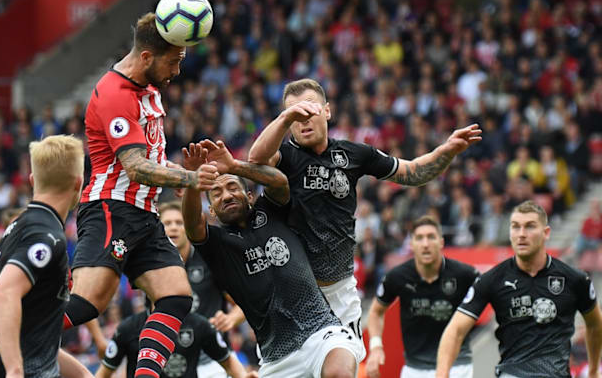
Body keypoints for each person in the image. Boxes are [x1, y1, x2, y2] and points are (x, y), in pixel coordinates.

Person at [248, 78, 482, 337]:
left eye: (309, 109)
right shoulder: (283, 157)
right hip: (293, 290)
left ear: (327, 111)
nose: (302, 119)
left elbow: (412, 172)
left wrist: (447, 150)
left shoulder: (354, 154)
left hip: (342, 292)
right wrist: (284, 117)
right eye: (294, 114)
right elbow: (256, 159)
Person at [64, 12, 218, 378]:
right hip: (111, 209)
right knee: (86, 305)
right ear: (147, 57)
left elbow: (150, 156)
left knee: (177, 296)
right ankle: (1, 344)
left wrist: (180, 176)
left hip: (145, 215)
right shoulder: (114, 93)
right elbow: (134, 166)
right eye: (174, 60)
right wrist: (189, 177)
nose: (178, 70)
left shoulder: (149, 89)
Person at [182, 140, 364, 378]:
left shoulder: (270, 211)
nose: (226, 195)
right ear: (212, 210)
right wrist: (193, 182)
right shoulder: (216, 244)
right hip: (277, 358)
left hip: (321, 331)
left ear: (249, 195)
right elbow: (193, 224)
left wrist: (234, 166)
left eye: (232, 187)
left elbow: (279, 182)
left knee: (338, 372)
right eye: (216, 194)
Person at [436, 200, 602, 378]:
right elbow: (455, 330)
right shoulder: (492, 280)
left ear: (546, 233)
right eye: (515, 227)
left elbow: (594, 324)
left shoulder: (574, 279)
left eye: (530, 227)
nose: (521, 234)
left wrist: (593, 370)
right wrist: (442, 374)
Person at [0, 135, 91, 378]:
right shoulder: (46, 235)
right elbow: (2, 295)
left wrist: (83, 375)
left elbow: (33, 333)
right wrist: (14, 370)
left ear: (32, 180)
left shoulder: (20, 226)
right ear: (78, 182)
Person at [366, 216, 478, 378]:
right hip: (415, 369)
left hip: (457, 365)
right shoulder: (397, 276)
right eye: (419, 238)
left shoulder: (465, 274)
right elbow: (376, 312)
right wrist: (376, 347)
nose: (425, 244)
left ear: (441, 242)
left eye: (431, 237)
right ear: (411, 244)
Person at [158, 201, 246, 377]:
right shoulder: (152, 267)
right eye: (167, 223)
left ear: (187, 227)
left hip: (214, 361)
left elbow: (246, 302)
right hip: (171, 363)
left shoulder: (208, 261)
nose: (173, 228)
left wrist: (230, 319)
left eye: (179, 222)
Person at [95, 303, 251, 378]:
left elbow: (229, 362)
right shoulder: (128, 328)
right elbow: (104, 373)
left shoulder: (199, 325)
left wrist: (244, 377)